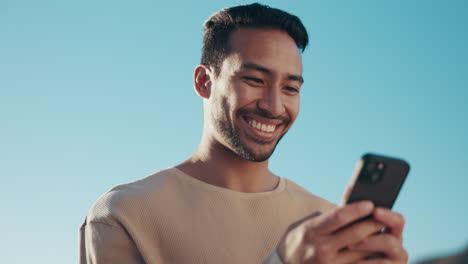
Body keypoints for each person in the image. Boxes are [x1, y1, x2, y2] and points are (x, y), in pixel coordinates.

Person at [79, 3, 408, 264]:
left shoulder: (324, 224)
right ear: (204, 82)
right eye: (254, 80)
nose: (273, 105)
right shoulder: (123, 214)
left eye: (290, 87)